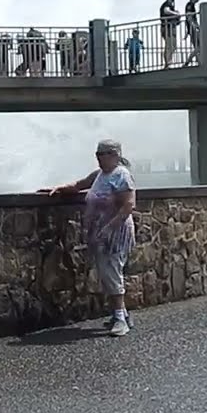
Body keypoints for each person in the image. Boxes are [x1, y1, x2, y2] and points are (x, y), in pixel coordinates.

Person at [40, 139, 138, 337]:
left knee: (111, 272)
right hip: (100, 231)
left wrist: (109, 228)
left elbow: (129, 205)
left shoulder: (122, 176)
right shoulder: (100, 175)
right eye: (97, 154)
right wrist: (59, 188)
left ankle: (120, 319)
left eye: (103, 154)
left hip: (115, 231)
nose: (99, 158)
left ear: (115, 155)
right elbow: (79, 185)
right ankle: (122, 314)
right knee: (106, 272)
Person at [158, 0, 180, 68]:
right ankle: (168, 63)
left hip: (170, 28)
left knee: (173, 46)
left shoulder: (170, 6)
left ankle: (168, 62)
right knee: (170, 46)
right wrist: (176, 14)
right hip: (167, 28)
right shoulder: (167, 4)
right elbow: (166, 11)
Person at [183, 0, 202, 66]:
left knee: (198, 47)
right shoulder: (190, 5)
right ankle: (188, 61)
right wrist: (195, 27)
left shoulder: (192, 5)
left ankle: (199, 62)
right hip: (193, 29)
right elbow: (189, 17)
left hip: (193, 29)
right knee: (199, 46)